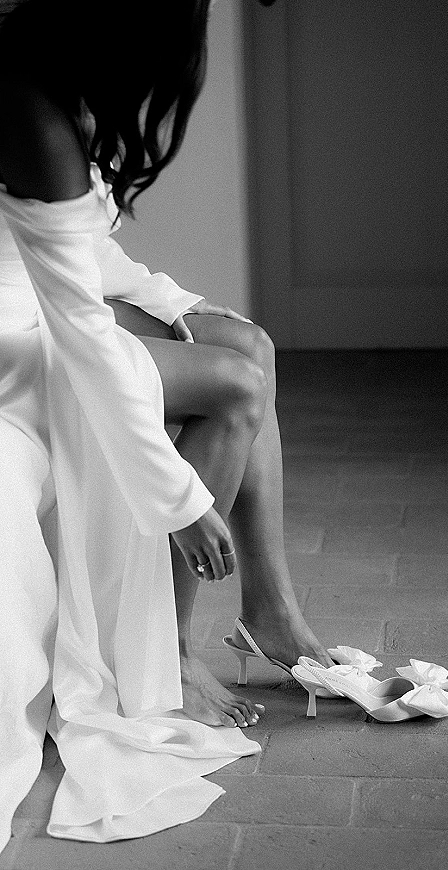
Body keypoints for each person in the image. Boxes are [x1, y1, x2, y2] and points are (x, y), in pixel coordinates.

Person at [0, 0, 333, 850]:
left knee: (246, 341)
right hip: (17, 336)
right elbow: (83, 336)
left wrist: (177, 306)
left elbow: (84, 256)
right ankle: (173, 655)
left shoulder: (43, 69)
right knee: (232, 386)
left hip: (47, 299)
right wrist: (177, 497)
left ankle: (270, 607)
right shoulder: (30, 108)